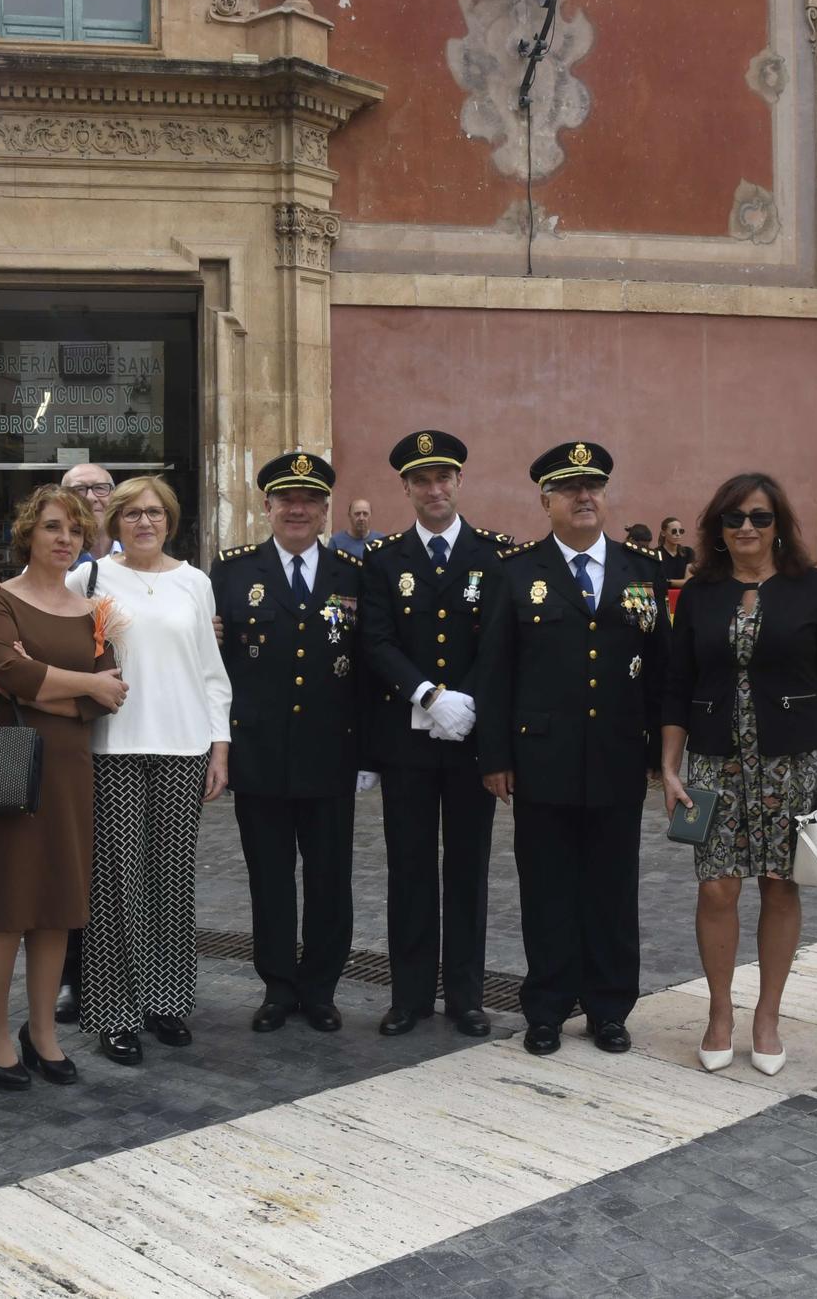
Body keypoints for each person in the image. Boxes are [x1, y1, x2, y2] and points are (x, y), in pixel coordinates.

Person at [479, 441, 671, 1057]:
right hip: (542, 760)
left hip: (618, 755)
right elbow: (494, 670)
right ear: (546, 500)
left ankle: (610, 1008)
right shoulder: (516, 571)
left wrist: (660, 756)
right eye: (568, 489)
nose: (583, 497)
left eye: (593, 486)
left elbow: (662, 669)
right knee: (547, 888)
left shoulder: (642, 568)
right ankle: (548, 1006)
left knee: (613, 889)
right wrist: (495, 757)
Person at [659, 473, 817, 1077]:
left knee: (780, 883)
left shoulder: (811, 587)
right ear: (717, 528)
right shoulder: (699, 594)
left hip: (794, 762)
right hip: (714, 761)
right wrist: (668, 765)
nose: (747, 527)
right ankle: (720, 1013)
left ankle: (767, 1016)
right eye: (734, 518)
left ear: (779, 525)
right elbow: (676, 683)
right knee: (716, 886)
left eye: (760, 517)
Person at [0, 486, 127, 1088]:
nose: (65, 539)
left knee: (58, 905)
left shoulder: (96, 613)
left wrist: (48, 685)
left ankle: (42, 1031)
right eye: (53, 527)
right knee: (6, 905)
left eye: (76, 531)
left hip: (68, 770)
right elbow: (7, 671)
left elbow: (109, 692)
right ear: (28, 532)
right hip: (4, 766)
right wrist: (72, 683)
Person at [64, 477, 230, 1065]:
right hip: (113, 747)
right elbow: (39, 615)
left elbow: (211, 671)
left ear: (171, 519)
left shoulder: (195, 582)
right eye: (132, 513)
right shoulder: (89, 579)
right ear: (115, 522)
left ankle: (164, 1002)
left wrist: (219, 745)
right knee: (115, 885)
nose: (143, 522)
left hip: (183, 746)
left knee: (171, 882)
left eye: (155, 512)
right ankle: (114, 1013)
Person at [212, 451, 369, 1033]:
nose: (297, 509)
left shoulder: (354, 574)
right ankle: (278, 985)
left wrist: (368, 755)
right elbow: (215, 663)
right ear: (268, 506)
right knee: (270, 876)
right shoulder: (231, 571)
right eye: (285, 499)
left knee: (330, 878)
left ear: (326, 510)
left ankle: (321, 987)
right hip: (258, 753)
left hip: (331, 753)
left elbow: (367, 668)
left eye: (309, 500)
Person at [359, 430, 508, 1038]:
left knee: (469, 868)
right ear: (406, 488)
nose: (434, 488)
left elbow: (501, 640)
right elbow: (375, 639)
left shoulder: (494, 555)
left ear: (459, 482)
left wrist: (465, 702)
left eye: (443, 477)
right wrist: (428, 695)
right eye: (421, 480)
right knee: (410, 868)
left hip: (471, 741)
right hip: (409, 743)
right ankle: (410, 995)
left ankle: (466, 997)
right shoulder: (384, 559)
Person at [54, 460, 116, 1021]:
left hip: (136, 736)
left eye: (100, 487)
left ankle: (123, 971)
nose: (91, 497)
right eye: (79, 488)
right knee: (76, 861)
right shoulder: (64, 569)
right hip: (77, 737)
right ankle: (72, 975)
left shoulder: (144, 556)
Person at [658, 515, 695, 584]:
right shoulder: (656, 553)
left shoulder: (688, 552)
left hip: (684, 593)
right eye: (674, 531)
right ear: (663, 533)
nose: (678, 534)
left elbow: (689, 582)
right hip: (664, 594)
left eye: (681, 531)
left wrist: (667, 582)